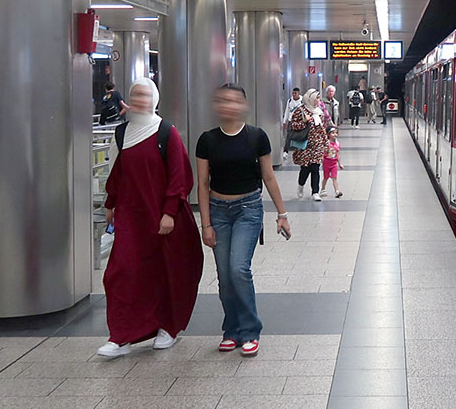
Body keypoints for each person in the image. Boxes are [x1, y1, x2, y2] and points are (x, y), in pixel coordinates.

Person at [98, 77, 203, 358]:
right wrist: (111, 203)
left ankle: (167, 326)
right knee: (122, 273)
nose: (140, 100)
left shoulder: (166, 132)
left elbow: (180, 176)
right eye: (135, 95)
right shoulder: (122, 134)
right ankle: (120, 335)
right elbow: (117, 174)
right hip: (132, 218)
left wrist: (169, 212)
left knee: (166, 272)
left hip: (162, 219)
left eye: (145, 95)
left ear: (154, 99)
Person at [197, 83, 290, 357]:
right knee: (224, 276)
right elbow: (202, 184)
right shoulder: (207, 140)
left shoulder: (256, 137)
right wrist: (206, 224)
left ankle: (250, 330)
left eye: (234, 101)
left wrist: (282, 214)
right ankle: (231, 329)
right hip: (218, 210)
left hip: (248, 209)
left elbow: (269, 177)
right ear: (217, 106)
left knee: (238, 269)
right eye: (223, 100)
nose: (229, 105)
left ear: (244, 106)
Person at [288, 89, 330, 200]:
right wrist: (304, 121)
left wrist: (326, 143)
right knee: (305, 169)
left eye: (318, 98)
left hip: (317, 145)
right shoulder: (300, 111)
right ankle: (301, 185)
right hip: (305, 145)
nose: (318, 100)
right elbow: (293, 125)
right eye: (316, 98)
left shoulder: (319, 112)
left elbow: (322, 129)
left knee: (315, 168)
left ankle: (315, 191)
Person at [320, 131, 344, 199]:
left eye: (336, 133)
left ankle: (337, 191)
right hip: (326, 163)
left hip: (334, 163)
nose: (335, 134)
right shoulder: (326, 143)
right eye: (333, 133)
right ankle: (323, 189)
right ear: (328, 134)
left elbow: (338, 153)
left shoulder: (337, 143)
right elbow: (322, 151)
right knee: (326, 177)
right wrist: (321, 158)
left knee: (334, 177)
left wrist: (340, 163)